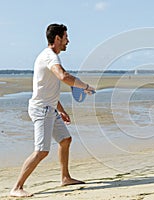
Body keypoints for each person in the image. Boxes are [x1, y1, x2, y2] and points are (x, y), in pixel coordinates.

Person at [10, 24, 95, 197]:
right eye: (65, 37)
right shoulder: (50, 57)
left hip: (50, 108)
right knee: (41, 151)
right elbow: (64, 77)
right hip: (41, 110)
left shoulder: (51, 56)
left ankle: (65, 177)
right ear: (57, 38)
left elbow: (49, 89)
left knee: (65, 139)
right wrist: (85, 86)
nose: (68, 41)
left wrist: (61, 110)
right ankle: (16, 187)